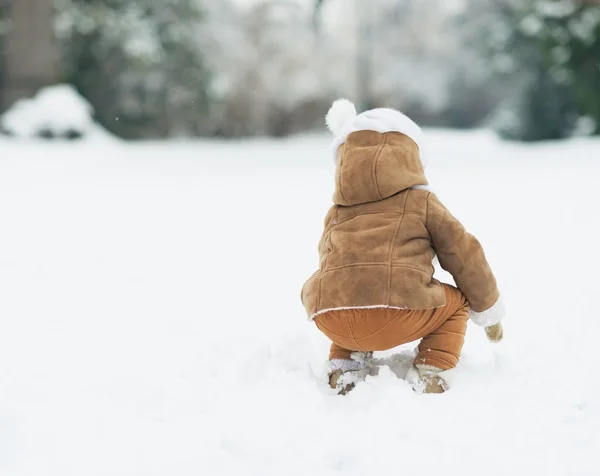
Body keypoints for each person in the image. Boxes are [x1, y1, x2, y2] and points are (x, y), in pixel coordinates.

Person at [301, 99, 505, 395]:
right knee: (456, 304)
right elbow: (464, 255)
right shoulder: (422, 203)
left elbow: (330, 262)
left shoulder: (337, 211)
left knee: (349, 288)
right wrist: (489, 311)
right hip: (398, 312)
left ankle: (344, 366)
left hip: (329, 315)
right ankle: (432, 370)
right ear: (411, 156)